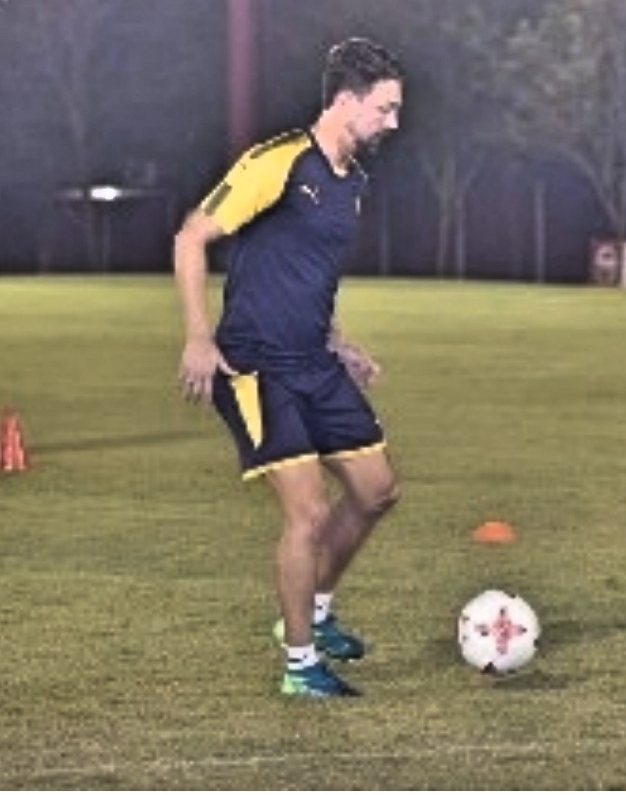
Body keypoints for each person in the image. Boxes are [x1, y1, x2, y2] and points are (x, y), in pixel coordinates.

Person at [173, 37, 404, 698]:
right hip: (255, 364)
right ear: (346, 101)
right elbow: (191, 236)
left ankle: (316, 613)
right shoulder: (276, 162)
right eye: (385, 108)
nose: (393, 123)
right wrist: (198, 337)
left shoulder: (352, 182)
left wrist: (337, 339)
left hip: (313, 360)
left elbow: (306, 272)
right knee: (307, 514)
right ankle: (300, 665)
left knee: (377, 490)